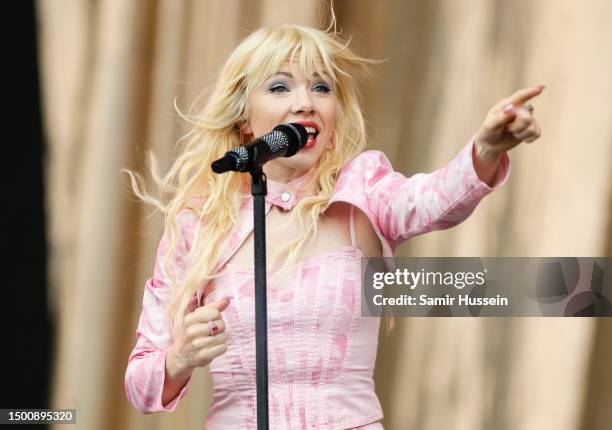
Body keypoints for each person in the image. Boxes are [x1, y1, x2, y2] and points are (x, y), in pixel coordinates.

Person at [124, 24, 543, 429]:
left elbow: (431, 200)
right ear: (245, 121)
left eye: (321, 87)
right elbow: (140, 384)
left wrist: (484, 148)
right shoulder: (201, 221)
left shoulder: (361, 187)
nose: (306, 102)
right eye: (279, 86)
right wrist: (180, 357)